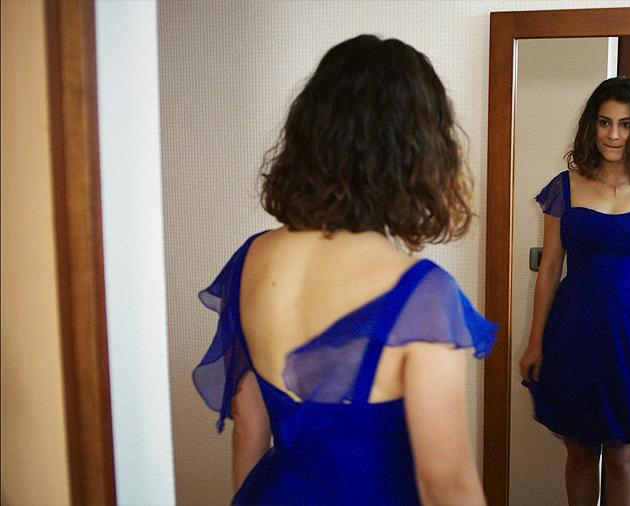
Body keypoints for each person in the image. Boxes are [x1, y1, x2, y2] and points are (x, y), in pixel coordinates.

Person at [192, 34, 497, 505]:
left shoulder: (251, 258)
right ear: (417, 152)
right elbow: (446, 486)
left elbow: (248, 423)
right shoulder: (422, 295)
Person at [519, 76, 630, 506]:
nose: (614, 134)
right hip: (574, 332)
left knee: (621, 455)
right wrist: (535, 342)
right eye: (605, 122)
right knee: (579, 451)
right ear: (591, 126)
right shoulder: (565, 186)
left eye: (625, 124)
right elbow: (550, 268)